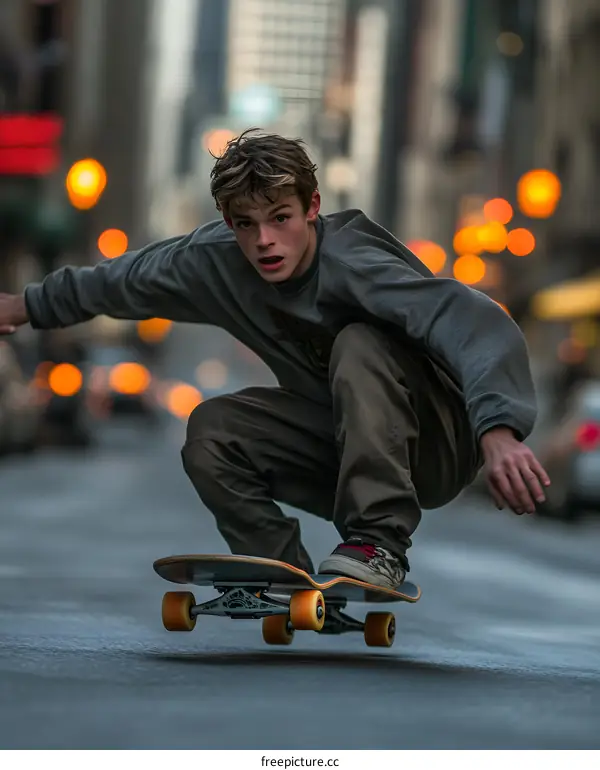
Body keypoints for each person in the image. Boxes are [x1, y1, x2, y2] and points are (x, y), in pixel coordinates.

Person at [0, 129, 550, 589]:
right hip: (344, 445)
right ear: (227, 219)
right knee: (212, 428)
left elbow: (473, 321)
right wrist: (22, 306)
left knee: (358, 343)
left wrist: (497, 433)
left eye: (281, 218)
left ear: (312, 208)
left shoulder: (353, 262)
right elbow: (121, 280)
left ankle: (377, 545)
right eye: (245, 224)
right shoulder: (211, 261)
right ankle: (280, 573)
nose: (264, 241)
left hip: (438, 443)